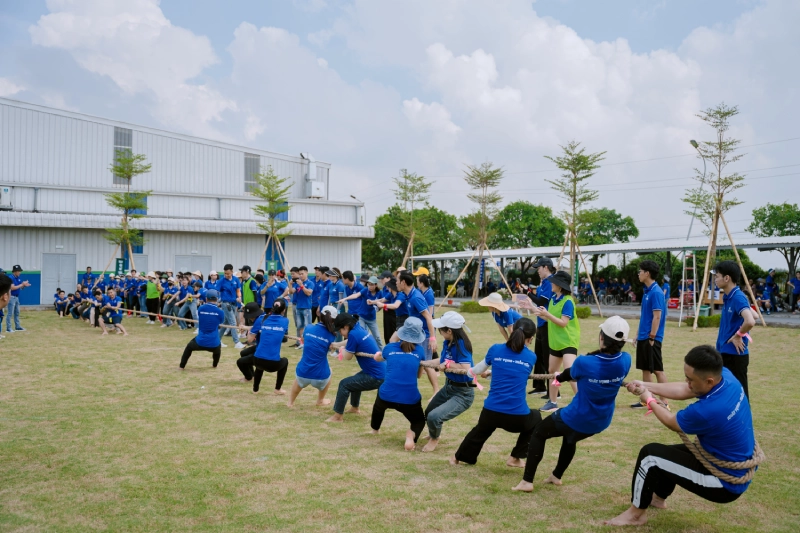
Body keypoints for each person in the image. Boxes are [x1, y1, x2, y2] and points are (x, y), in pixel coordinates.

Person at [604, 345, 757, 527]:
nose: (687, 382)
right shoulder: (726, 377)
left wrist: (649, 399)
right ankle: (658, 499)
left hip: (724, 483)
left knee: (650, 456)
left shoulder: (710, 410)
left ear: (709, 381)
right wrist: (646, 385)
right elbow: (685, 389)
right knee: (667, 455)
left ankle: (636, 515)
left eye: (690, 379)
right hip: (718, 458)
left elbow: (671, 421)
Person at [513, 316, 632, 492]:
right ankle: (556, 476)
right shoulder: (626, 360)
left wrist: (559, 377)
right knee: (571, 437)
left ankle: (527, 482)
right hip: (601, 421)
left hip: (576, 417)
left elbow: (571, 373)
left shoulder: (586, 362)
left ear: (601, 337)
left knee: (538, 432)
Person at [451, 317, 540, 467]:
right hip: (517, 416)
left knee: (480, 431)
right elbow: (515, 370)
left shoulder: (495, 349)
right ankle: (515, 457)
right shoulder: (531, 357)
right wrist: (494, 371)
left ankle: (457, 458)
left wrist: (469, 372)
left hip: (491, 412)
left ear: (512, 331)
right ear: (530, 339)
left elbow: (477, 370)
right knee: (537, 418)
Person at [370, 317, 428, 451]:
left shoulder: (389, 348)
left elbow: (378, 358)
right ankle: (411, 435)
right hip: (409, 399)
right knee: (419, 421)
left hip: (386, 395)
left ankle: (375, 429)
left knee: (378, 406)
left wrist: (378, 355)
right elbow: (419, 375)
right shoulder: (420, 351)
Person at [422, 311, 475, 453]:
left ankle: (435, 438)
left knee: (434, 417)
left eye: (440, 329)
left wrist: (447, 365)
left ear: (449, 331)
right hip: (449, 387)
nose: (439, 332)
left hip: (462, 393)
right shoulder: (448, 342)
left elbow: (466, 368)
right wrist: (423, 363)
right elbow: (441, 361)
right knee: (429, 412)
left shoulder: (461, 345)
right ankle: (433, 432)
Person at [532, 271, 580, 412]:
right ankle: (553, 402)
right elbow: (550, 318)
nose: (551, 283)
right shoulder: (553, 298)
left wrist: (547, 314)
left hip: (568, 341)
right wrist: (532, 308)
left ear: (560, 286)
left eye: (554, 282)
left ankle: (582, 401)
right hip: (556, 342)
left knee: (569, 371)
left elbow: (563, 322)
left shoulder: (568, 301)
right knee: (552, 371)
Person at [325, 312, 384, 422]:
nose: (340, 332)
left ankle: (338, 417)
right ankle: (355, 408)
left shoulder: (353, 334)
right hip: (380, 372)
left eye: (340, 330)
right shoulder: (358, 328)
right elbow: (350, 342)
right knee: (355, 380)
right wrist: (337, 344)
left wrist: (340, 349)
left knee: (344, 384)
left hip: (376, 376)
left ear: (346, 327)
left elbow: (348, 356)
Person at [713, 261, 756, 398]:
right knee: (726, 394)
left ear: (727, 278)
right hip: (725, 351)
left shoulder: (737, 297)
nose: (715, 279)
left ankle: (744, 419)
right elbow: (753, 314)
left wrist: (739, 335)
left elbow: (750, 321)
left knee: (739, 395)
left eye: (717, 276)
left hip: (735, 355)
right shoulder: (729, 296)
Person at [287, 305, 343, 408]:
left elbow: (303, 339)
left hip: (302, 374)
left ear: (319, 315)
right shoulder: (332, 335)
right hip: (320, 377)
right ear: (333, 320)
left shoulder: (308, 328)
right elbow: (330, 348)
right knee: (330, 370)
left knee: (299, 376)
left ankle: (290, 402)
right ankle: (320, 400)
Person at [631, 260, 669, 409]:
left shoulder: (656, 292)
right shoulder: (647, 292)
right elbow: (645, 317)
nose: (638, 274)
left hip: (651, 338)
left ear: (647, 273)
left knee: (658, 370)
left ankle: (664, 401)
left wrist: (652, 336)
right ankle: (647, 399)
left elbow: (657, 317)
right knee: (646, 369)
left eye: (640, 271)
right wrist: (637, 335)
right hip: (644, 336)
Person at [237, 299, 290, 394]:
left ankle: (255, 390)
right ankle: (277, 389)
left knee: (260, 355)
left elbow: (250, 338)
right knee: (285, 361)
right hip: (272, 364)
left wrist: (249, 330)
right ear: (284, 310)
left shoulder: (264, 319)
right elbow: (283, 335)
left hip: (257, 360)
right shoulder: (285, 321)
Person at [179, 290, 225, 369]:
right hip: (214, 343)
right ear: (217, 299)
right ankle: (215, 365)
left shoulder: (201, 308)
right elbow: (220, 323)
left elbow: (200, 316)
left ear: (206, 299)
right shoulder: (221, 312)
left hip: (200, 341)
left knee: (189, 347)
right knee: (218, 347)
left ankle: (181, 367)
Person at [531, 257, 555, 395]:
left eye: (539, 268)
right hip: (540, 322)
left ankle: (553, 390)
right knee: (538, 355)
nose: (537, 271)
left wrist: (528, 294)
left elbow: (541, 300)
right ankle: (539, 386)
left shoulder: (550, 282)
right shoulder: (543, 282)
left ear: (546, 267)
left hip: (547, 322)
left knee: (547, 357)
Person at [218, 264, 245, 349]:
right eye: (225, 273)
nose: (226, 275)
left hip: (234, 304)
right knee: (233, 322)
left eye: (228, 273)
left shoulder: (236, 280)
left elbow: (238, 290)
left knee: (226, 323)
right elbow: (216, 291)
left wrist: (239, 297)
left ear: (232, 272)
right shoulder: (222, 281)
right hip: (226, 304)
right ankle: (236, 342)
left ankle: (217, 340)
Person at [290, 266, 315, 349]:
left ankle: (308, 343)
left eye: (302, 274)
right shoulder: (297, 283)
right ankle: (301, 343)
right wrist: (290, 285)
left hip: (306, 308)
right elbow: (291, 291)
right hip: (298, 307)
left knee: (307, 326)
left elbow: (308, 293)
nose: (301, 275)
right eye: (299, 274)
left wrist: (302, 286)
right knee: (300, 326)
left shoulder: (310, 283)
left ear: (306, 273)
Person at [6, 265, 31, 333]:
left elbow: (20, 287)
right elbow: (12, 288)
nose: (19, 272)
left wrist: (24, 285)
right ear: (15, 271)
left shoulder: (18, 278)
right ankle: (9, 328)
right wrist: (22, 284)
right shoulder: (11, 278)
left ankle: (17, 326)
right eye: (18, 271)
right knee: (10, 313)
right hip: (11, 297)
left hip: (17, 297)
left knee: (17, 312)